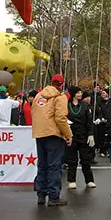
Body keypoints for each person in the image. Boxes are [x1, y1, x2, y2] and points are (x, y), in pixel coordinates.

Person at [31, 74, 73, 207]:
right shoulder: (60, 97)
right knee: (54, 166)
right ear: (61, 85)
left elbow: (33, 112)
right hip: (54, 135)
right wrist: (68, 134)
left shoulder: (38, 96)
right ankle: (54, 196)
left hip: (39, 133)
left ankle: (41, 194)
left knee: (42, 165)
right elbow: (61, 118)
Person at [65, 87, 96, 190]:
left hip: (83, 135)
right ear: (73, 94)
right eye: (78, 92)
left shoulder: (85, 106)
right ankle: (71, 180)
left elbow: (89, 121)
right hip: (71, 136)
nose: (80, 94)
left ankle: (89, 180)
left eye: (80, 92)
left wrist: (90, 134)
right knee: (72, 160)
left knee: (85, 159)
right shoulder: (66, 105)